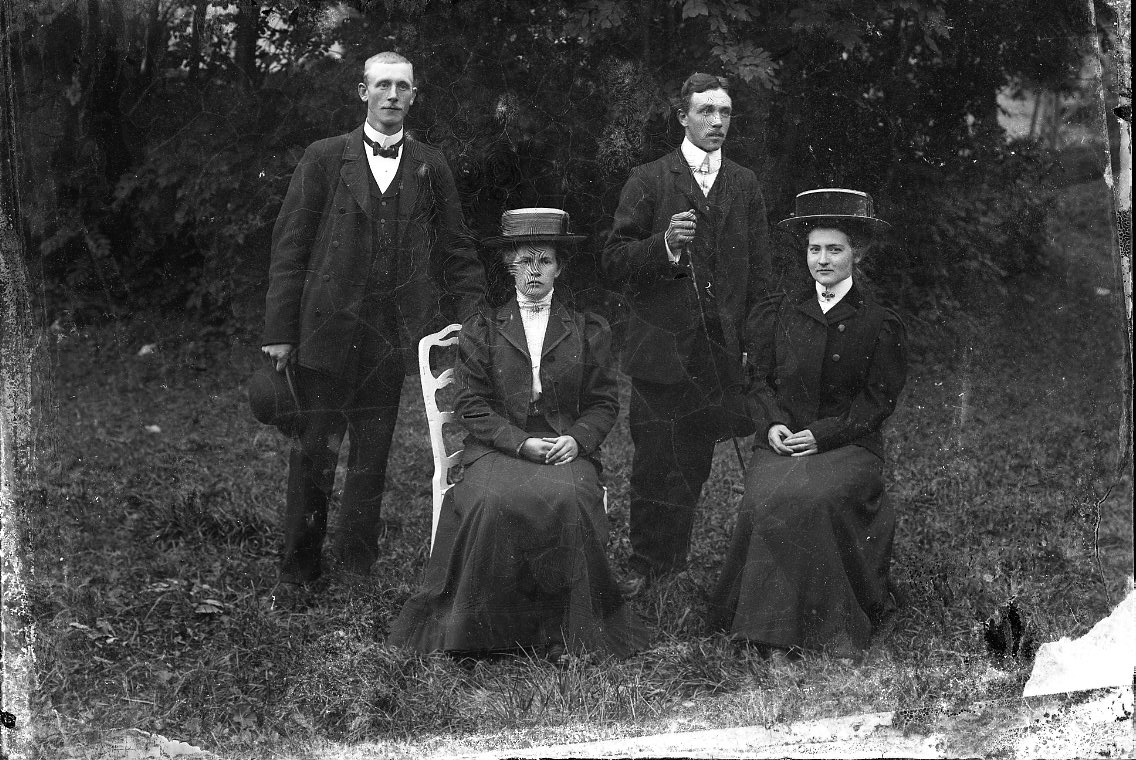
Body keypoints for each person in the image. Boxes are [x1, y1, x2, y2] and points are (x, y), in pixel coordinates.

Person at [261, 52, 486, 608]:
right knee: (314, 452)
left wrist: (474, 322)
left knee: (372, 454)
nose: (392, 95)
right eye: (381, 85)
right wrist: (280, 331)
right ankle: (298, 571)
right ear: (363, 92)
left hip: (390, 336)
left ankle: (356, 564)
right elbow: (290, 247)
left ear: (413, 96)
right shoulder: (324, 157)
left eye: (402, 87)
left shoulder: (430, 164)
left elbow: (457, 247)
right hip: (325, 331)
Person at [390, 208, 648, 661]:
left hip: (563, 447)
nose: (533, 271)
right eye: (524, 260)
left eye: (544, 260)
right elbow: (471, 404)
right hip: (498, 448)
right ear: (510, 264)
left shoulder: (586, 328)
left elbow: (604, 402)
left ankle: (566, 631)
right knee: (491, 501)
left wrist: (578, 439)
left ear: (559, 268)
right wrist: (519, 442)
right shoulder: (484, 328)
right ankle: (482, 632)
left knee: (569, 499)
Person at [707, 188, 906, 657]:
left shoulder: (879, 322)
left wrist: (822, 435)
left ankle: (824, 628)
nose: (823, 260)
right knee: (767, 495)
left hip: (849, 446)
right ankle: (763, 627)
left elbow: (877, 401)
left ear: (858, 253)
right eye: (815, 249)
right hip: (783, 440)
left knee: (815, 498)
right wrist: (772, 425)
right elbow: (759, 381)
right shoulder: (780, 313)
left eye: (835, 249)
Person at [603, 72, 770, 591]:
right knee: (654, 460)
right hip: (659, 352)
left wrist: (754, 345)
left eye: (724, 112)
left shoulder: (745, 184)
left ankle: (673, 563)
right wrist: (665, 246)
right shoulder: (649, 179)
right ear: (682, 116)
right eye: (705, 111)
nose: (716, 121)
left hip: (718, 353)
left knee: (694, 461)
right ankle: (645, 563)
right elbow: (612, 261)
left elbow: (761, 276)